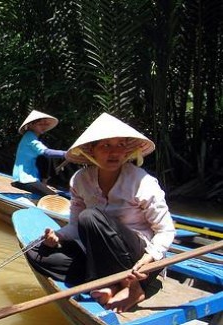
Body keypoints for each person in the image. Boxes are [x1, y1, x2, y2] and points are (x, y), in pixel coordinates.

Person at [25, 113, 175, 313]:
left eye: (120, 145)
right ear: (91, 151)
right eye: (105, 146)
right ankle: (106, 282)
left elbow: (166, 231)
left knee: (90, 216)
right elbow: (77, 227)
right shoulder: (80, 180)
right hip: (99, 257)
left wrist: (150, 258)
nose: (114, 152)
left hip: (137, 259)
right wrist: (57, 237)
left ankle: (133, 288)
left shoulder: (142, 182)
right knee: (35, 251)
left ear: (127, 151)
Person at [12, 110, 66, 196]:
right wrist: (66, 154)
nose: (43, 126)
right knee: (55, 198)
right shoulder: (29, 137)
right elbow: (47, 152)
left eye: (45, 124)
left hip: (30, 179)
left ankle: (43, 184)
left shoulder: (33, 137)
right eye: (40, 124)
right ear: (31, 125)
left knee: (61, 195)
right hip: (24, 180)